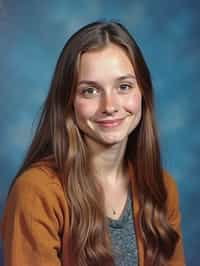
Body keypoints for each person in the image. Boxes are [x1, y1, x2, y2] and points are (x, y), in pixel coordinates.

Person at [0, 21, 185, 266]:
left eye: (124, 86)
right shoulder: (37, 193)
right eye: (90, 91)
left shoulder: (161, 188)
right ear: (68, 101)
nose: (109, 106)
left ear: (143, 93)